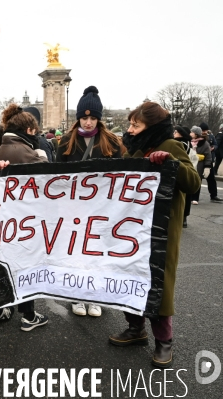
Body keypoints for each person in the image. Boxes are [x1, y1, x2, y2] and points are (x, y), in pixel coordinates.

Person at [110, 101, 200, 368]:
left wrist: (171, 163)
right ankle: (135, 328)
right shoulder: (134, 149)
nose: (130, 129)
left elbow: (193, 182)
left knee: (158, 284)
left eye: (135, 125)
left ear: (152, 126)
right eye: (130, 124)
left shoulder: (170, 146)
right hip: (132, 229)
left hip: (160, 231)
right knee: (130, 277)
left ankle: (164, 341)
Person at [57, 86, 121, 317]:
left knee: (97, 253)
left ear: (99, 119)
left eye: (93, 118)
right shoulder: (66, 141)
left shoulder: (111, 141)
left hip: (102, 208)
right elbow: (57, 177)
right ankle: (77, 295)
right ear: (78, 119)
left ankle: (95, 296)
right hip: (74, 208)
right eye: (84, 118)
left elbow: (122, 175)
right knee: (76, 253)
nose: (88, 122)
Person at [0, 104, 49, 329]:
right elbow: (46, 176)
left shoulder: (3, 147)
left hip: (6, 220)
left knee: (5, 265)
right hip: (24, 220)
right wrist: (42, 155)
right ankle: (28, 315)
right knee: (25, 267)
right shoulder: (24, 150)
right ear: (30, 130)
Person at [173, 126, 194, 227]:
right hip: (188, 169)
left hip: (181, 170)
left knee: (180, 196)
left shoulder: (179, 143)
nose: (174, 133)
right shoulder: (188, 143)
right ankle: (185, 217)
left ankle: (182, 217)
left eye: (176, 132)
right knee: (187, 196)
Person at [189, 126, 213, 205]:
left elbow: (208, 156)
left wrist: (207, 167)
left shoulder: (205, 143)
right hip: (190, 163)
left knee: (197, 181)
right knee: (188, 180)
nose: (190, 133)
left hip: (199, 164)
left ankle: (195, 198)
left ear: (196, 134)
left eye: (192, 132)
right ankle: (188, 197)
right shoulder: (189, 141)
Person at [198, 122, 222, 202]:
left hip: (209, 160)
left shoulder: (211, 137)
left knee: (211, 179)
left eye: (206, 130)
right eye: (203, 130)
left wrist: (213, 148)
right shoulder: (197, 137)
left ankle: (214, 195)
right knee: (198, 179)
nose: (204, 132)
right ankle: (195, 196)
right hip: (200, 161)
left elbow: (216, 144)